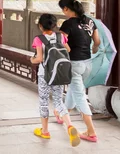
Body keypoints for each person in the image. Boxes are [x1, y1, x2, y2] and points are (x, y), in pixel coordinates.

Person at [30, 14, 80, 146]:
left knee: (44, 102)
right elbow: (68, 50)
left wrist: (31, 59)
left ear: (40, 26)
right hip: (58, 74)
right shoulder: (60, 36)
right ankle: (69, 126)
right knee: (58, 101)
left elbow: (39, 59)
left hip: (44, 75)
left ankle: (45, 131)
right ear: (54, 25)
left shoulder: (38, 39)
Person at [59, 0, 101, 143]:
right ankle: (62, 113)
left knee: (80, 96)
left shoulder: (67, 24)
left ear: (66, 8)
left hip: (74, 64)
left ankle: (91, 132)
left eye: (63, 9)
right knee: (74, 89)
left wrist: (69, 49)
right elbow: (97, 41)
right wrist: (95, 48)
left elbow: (61, 40)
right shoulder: (89, 21)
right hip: (87, 64)